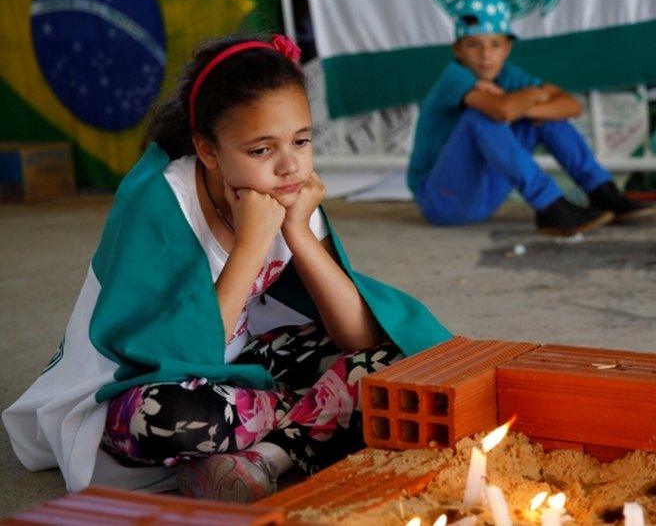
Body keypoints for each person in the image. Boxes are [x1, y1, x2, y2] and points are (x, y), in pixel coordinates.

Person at [2, 35, 451, 503]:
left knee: (397, 361)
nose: (289, 165)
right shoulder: (160, 200)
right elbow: (184, 358)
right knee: (166, 417)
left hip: (236, 377)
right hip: (136, 387)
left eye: (301, 141)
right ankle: (310, 423)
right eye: (260, 150)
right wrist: (253, 243)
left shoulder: (288, 194)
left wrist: (298, 232)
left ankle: (263, 459)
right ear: (209, 151)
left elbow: (358, 338)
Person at [408, 0, 653, 235]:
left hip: (484, 199)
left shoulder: (508, 75)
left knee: (543, 117)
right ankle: (549, 206)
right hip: (441, 200)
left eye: (495, 44)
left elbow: (570, 106)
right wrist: (533, 94)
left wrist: (526, 104)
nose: (485, 55)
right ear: (458, 50)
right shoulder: (455, 76)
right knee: (480, 116)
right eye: (473, 45)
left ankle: (603, 192)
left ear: (507, 48)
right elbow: (502, 110)